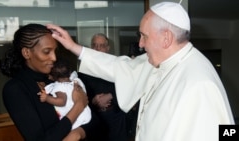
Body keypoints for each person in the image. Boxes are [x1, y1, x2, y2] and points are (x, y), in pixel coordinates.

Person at [46, 1, 235, 141]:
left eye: (144, 36)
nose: (140, 44)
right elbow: (120, 66)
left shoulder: (200, 83)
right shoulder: (162, 61)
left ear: (166, 38)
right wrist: (74, 47)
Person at [0, 23, 100, 141]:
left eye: (55, 51)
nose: (54, 58)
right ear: (26, 53)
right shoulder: (15, 89)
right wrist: (78, 106)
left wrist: (77, 134)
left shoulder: (57, 78)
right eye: (47, 51)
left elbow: (95, 121)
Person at [78, 33, 128, 141]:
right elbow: (81, 92)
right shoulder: (84, 70)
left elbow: (127, 86)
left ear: (107, 48)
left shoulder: (118, 65)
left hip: (115, 117)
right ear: (91, 47)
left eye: (101, 45)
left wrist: (110, 95)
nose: (98, 48)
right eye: (95, 45)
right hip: (95, 118)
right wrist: (93, 100)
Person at [37, 59, 91, 130]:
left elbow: (61, 101)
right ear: (70, 72)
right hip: (85, 114)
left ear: (52, 77)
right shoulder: (76, 80)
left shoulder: (59, 87)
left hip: (75, 119)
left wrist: (47, 98)